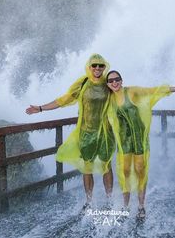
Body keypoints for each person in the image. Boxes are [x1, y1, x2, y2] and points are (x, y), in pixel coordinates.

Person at [26, 54, 115, 208]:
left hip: (105, 132)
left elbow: (123, 96)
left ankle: (109, 200)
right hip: (86, 132)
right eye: (94, 65)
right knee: (87, 168)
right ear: (89, 66)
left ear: (104, 66)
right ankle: (89, 201)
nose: (98, 68)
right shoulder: (83, 82)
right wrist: (40, 108)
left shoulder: (108, 82)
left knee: (107, 166)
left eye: (101, 65)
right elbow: (63, 100)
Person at [106, 70, 175, 219]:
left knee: (140, 169)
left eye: (117, 79)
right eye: (111, 81)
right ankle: (125, 206)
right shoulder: (108, 99)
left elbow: (152, 91)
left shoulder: (131, 91)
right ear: (107, 84)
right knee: (125, 171)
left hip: (139, 137)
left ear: (122, 80)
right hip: (124, 140)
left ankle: (141, 206)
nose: (114, 82)